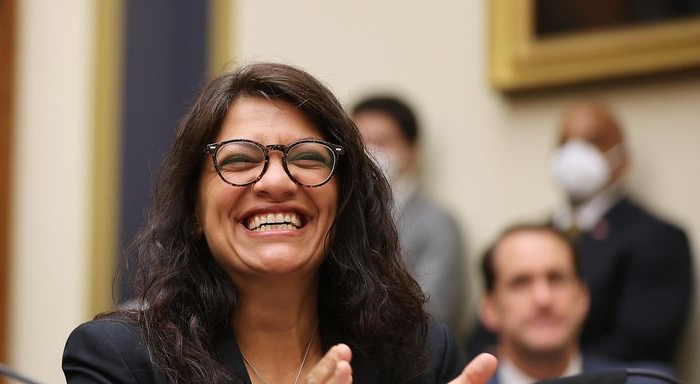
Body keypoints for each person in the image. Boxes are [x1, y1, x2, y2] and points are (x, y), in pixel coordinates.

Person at [62, 63, 497, 383]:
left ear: (343, 203)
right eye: (239, 159)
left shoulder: (419, 355)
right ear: (194, 211)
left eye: (308, 157)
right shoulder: (120, 359)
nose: (275, 181)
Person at [469, 101, 692, 366]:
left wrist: (540, 365)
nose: (575, 154)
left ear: (622, 158)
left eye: (592, 142)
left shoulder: (658, 238)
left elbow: (644, 343)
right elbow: (482, 336)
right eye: (565, 143)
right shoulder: (527, 240)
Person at [479, 224, 675, 384]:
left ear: (583, 298)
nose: (543, 299)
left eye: (556, 279)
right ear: (490, 308)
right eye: (521, 283)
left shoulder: (646, 381)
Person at [352, 96, 465, 325]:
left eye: (381, 143)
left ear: (413, 153)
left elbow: (435, 310)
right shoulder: (341, 214)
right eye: (359, 143)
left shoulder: (437, 223)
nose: (368, 153)